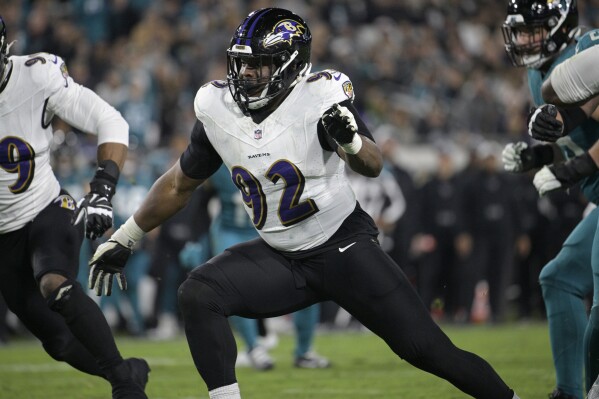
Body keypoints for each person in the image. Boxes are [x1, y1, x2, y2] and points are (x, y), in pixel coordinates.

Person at [90, 8, 520, 399]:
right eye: (242, 62)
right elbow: (180, 183)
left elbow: (372, 164)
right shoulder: (217, 107)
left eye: (260, 64)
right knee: (199, 294)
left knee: (429, 351)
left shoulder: (322, 97)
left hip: (343, 249)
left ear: (290, 64)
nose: (248, 74)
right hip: (281, 257)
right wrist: (127, 236)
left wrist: (351, 140)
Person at [0, 16, 149, 399]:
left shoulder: (35, 77)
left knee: (56, 284)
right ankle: (128, 372)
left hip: (46, 208)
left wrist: (102, 189)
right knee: (59, 344)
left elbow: (109, 120)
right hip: (3, 237)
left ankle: (124, 387)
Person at [501, 1, 599, 397]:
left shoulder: (587, 55)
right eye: (519, 32)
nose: (524, 40)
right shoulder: (538, 72)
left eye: (532, 31)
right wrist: (541, 155)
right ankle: (568, 392)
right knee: (558, 278)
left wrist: (572, 171)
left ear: (559, 27)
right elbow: (575, 136)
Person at [205, 164, 330, 370]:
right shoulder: (218, 162)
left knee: (308, 280)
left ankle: (304, 351)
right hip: (231, 228)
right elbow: (198, 194)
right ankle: (254, 348)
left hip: (272, 229)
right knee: (232, 287)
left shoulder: (272, 154)